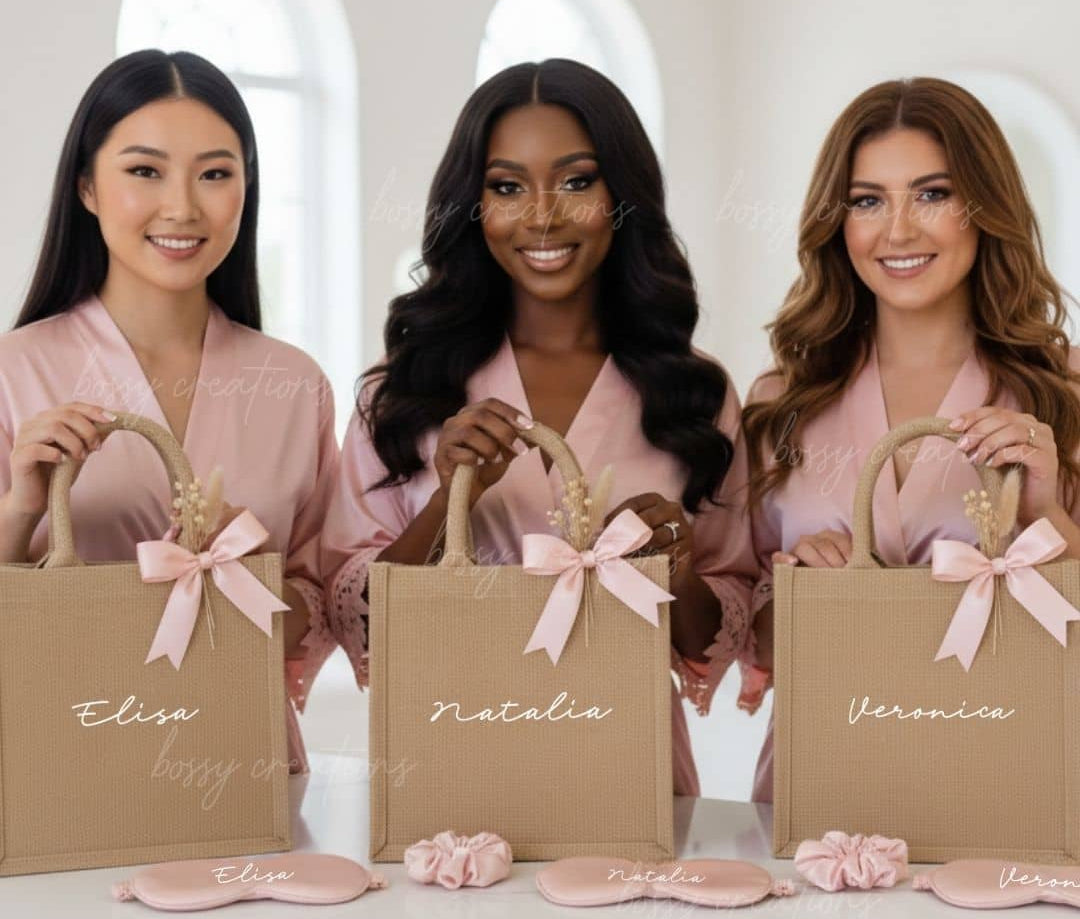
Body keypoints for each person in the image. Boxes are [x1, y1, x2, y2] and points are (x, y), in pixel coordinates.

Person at [321, 58, 758, 796]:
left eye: (577, 182)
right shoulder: (402, 393)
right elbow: (358, 622)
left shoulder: (694, 392)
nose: (543, 215)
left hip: (632, 779)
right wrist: (448, 501)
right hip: (451, 776)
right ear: (472, 205)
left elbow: (719, 634)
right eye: (506, 187)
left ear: (622, 197)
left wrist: (678, 569)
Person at [740, 76, 1080, 802]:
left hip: (1006, 793)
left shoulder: (1066, 392)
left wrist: (1045, 513)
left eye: (932, 194)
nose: (897, 231)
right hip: (820, 790)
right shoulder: (781, 401)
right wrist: (803, 590)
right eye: (867, 200)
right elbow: (756, 637)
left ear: (985, 206)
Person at [0, 50, 340, 773]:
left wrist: (247, 576)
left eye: (215, 174)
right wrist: (21, 508)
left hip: (243, 768)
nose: (183, 207)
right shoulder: (13, 372)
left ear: (246, 187)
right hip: (66, 767)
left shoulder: (294, 384)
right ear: (87, 186)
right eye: (145, 171)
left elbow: (318, 610)